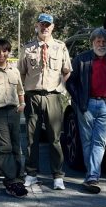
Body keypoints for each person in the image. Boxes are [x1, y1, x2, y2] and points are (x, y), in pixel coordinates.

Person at [19, 13, 72, 193]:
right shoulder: (28, 48)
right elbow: (22, 73)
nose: (45, 28)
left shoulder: (60, 47)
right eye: (42, 24)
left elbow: (67, 70)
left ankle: (57, 175)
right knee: (31, 137)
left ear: (53, 27)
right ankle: (31, 173)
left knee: (55, 137)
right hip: (33, 95)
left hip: (53, 96)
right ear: (37, 26)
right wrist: (25, 91)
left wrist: (59, 86)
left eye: (48, 25)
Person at [66, 27, 106, 193]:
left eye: (104, 41)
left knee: (99, 142)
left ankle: (92, 176)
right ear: (92, 43)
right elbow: (70, 82)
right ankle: (92, 175)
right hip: (87, 105)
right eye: (98, 41)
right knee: (87, 141)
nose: (101, 44)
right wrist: (79, 101)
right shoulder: (81, 60)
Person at [0, 38, 28, 198]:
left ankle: (19, 178)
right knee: (3, 148)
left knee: (17, 147)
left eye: (4, 51)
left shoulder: (14, 70)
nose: (1, 54)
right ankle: (11, 181)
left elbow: (20, 90)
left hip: (14, 112)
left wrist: (22, 104)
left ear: (9, 52)